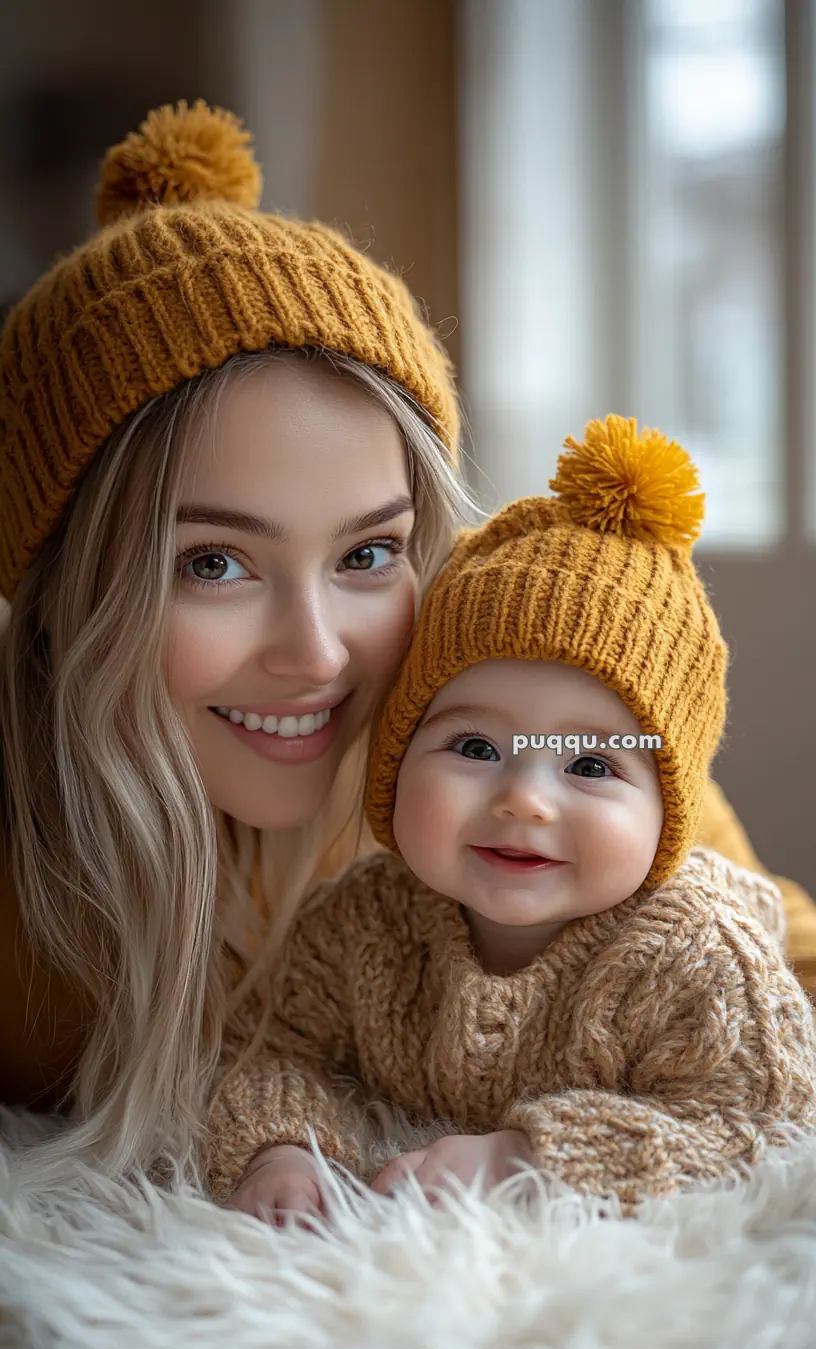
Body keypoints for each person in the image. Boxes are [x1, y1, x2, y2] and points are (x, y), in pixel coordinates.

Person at [0, 101, 814, 1191]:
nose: (319, 653)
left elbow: (776, 978)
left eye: (369, 554)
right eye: (212, 564)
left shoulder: (515, 686)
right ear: (61, 594)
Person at [207, 416, 816, 1220]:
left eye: (591, 766)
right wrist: (281, 1148)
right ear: (396, 759)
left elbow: (764, 1118)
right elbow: (272, 1049)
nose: (525, 798)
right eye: (474, 745)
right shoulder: (363, 924)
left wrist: (523, 1159)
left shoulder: (696, 955)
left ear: (671, 810)